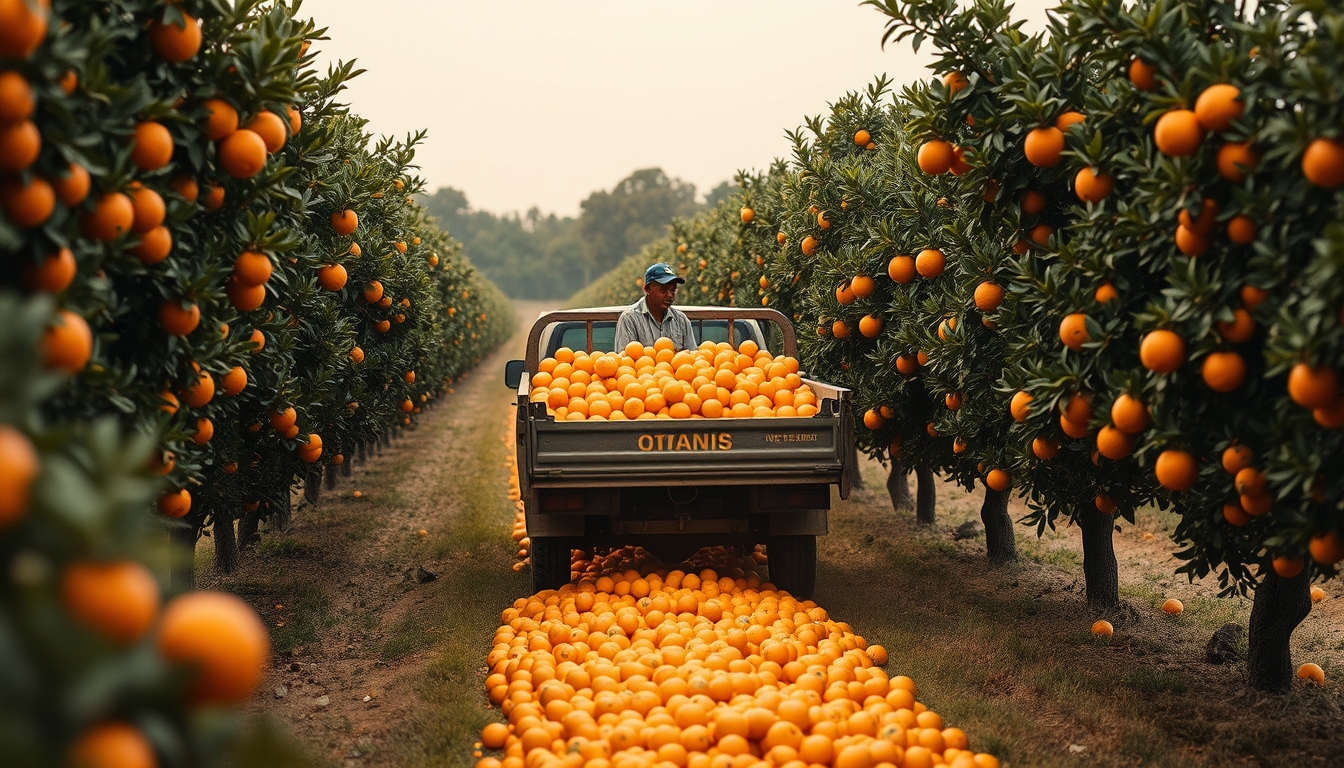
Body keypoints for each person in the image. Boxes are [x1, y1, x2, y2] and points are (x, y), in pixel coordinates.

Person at [613, 262, 697, 351]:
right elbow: (625, 360)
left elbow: (692, 357)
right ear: (647, 289)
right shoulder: (630, 319)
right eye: (663, 290)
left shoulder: (681, 320)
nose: (669, 295)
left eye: (673, 290)